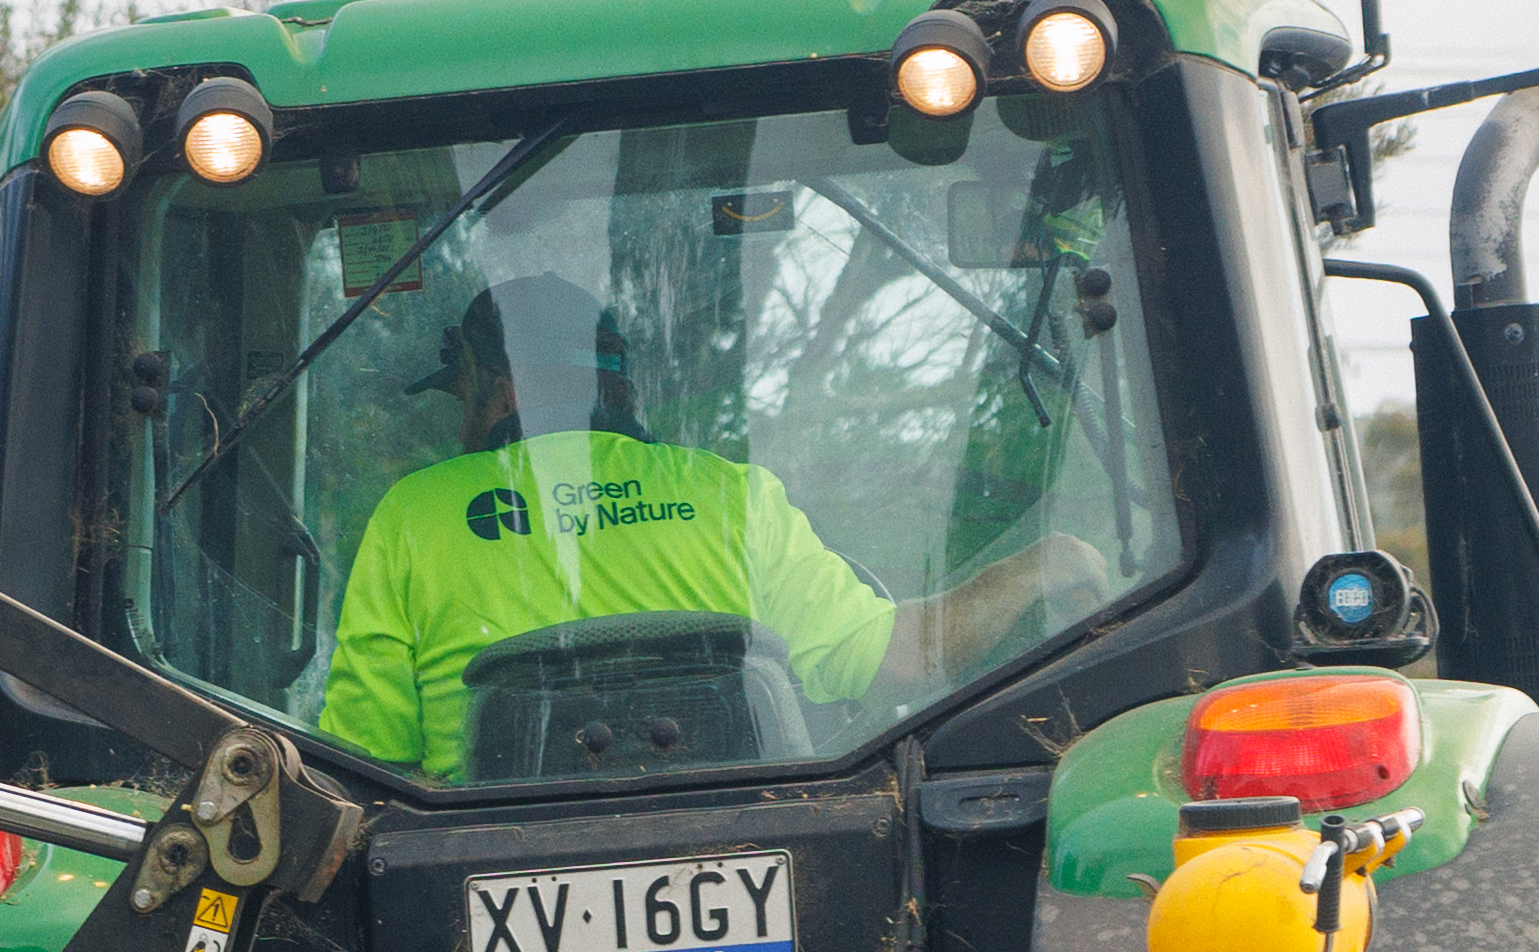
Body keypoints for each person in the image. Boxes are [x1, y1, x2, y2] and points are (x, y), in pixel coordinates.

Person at [303, 306, 1084, 772]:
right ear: (620, 386)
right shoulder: (730, 496)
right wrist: (1038, 568)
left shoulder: (413, 515)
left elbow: (368, 762)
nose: (465, 417)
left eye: (466, 394)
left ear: (502, 387)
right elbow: (911, 656)